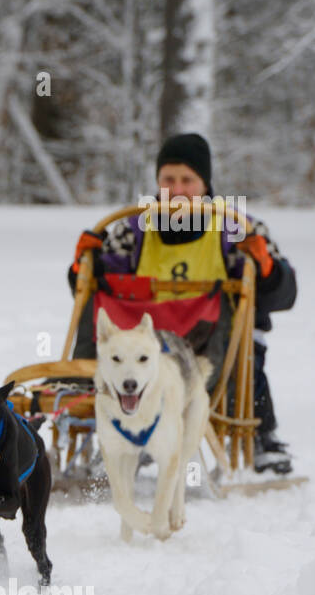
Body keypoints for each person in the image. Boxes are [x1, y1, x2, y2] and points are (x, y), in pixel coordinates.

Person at [67, 133, 298, 474]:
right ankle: (115, 430)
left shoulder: (237, 228)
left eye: (187, 180)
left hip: (217, 344)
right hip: (146, 345)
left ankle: (262, 432)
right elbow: (95, 292)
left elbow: (285, 295)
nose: (177, 190)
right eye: (168, 179)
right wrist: (82, 267)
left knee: (248, 353)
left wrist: (267, 270)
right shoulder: (133, 230)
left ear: (205, 183)